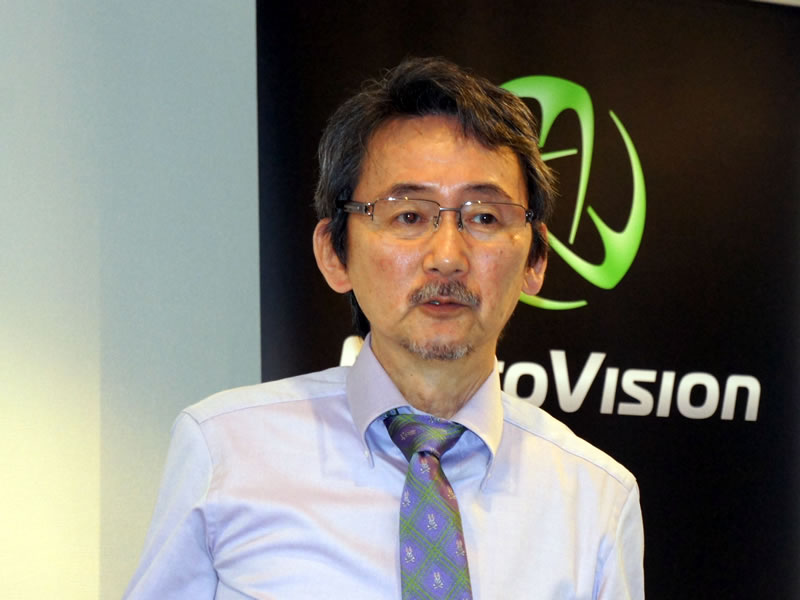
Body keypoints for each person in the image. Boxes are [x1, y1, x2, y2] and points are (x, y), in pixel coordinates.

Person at [124, 57, 644, 599]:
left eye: (484, 217)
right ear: (334, 254)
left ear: (536, 260)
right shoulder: (226, 450)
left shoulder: (595, 498)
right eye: (409, 216)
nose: (448, 257)